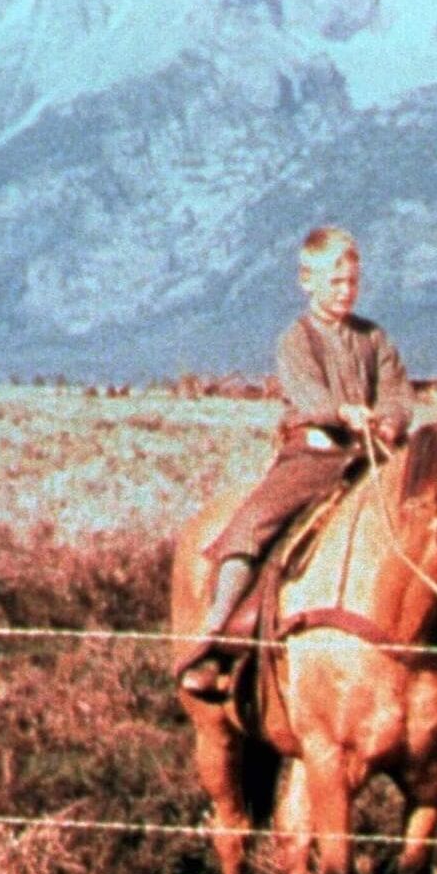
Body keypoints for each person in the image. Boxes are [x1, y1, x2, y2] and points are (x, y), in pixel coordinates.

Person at [175, 226, 413, 699]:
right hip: (314, 455)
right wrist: (343, 412)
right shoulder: (296, 339)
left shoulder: (375, 338)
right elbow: (308, 394)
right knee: (252, 525)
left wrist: (390, 421)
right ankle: (214, 641)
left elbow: (398, 391)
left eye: (351, 282)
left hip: (372, 455)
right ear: (307, 281)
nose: (345, 292)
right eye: (334, 282)